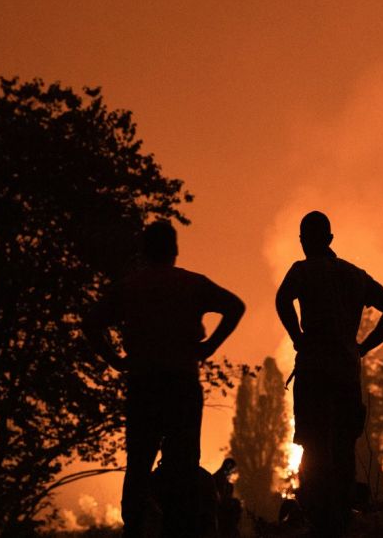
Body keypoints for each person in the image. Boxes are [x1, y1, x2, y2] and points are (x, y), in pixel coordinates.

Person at [86, 220, 245, 538]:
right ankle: (179, 529)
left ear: (145, 251)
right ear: (174, 250)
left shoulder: (130, 287)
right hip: (182, 386)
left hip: (143, 385)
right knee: (182, 468)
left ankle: (133, 528)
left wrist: (114, 359)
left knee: (139, 463)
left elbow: (91, 323)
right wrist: (209, 346)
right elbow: (235, 306)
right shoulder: (191, 284)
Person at [275, 211, 383, 537]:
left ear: (304, 240)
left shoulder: (302, 270)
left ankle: (319, 517)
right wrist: (362, 346)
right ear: (330, 239)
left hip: (313, 370)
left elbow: (281, 300)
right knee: (345, 445)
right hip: (346, 371)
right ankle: (342, 516)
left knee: (314, 444)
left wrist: (298, 338)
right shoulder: (354, 275)